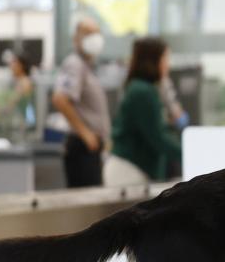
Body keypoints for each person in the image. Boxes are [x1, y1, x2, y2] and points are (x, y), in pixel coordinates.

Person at [104, 37, 183, 186]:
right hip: (128, 172)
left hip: (134, 170)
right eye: (165, 58)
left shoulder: (145, 88)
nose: (168, 65)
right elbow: (157, 136)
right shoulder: (143, 91)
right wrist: (189, 153)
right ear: (153, 61)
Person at [52, 15, 110, 187]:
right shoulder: (74, 64)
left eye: (97, 33)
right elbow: (60, 99)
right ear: (76, 38)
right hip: (82, 147)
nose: (94, 38)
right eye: (88, 33)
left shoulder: (87, 66)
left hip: (91, 147)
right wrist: (85, 133)